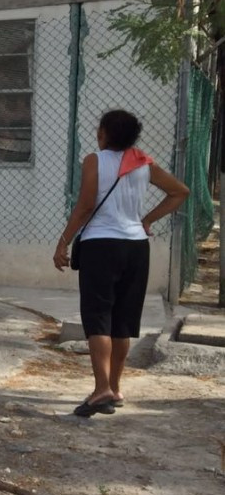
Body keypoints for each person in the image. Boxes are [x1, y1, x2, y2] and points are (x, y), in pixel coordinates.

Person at [54, 109, 188, 417]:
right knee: (123, 320)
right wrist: (146, 220)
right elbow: (180, 192)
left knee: (98, 315)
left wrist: (63, 241)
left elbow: (86, 204)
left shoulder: (94, 160)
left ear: (104, 134)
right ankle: (115, 387)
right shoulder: (143, 163)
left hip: (101, 246)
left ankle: (101, 389)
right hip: (136, 247)